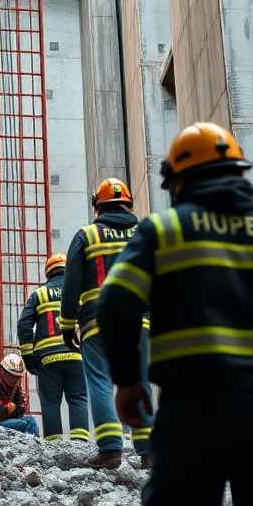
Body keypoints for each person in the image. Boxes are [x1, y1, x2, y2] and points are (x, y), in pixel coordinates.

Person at [96, 122, 253, 506]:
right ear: (240, 174)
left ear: (178, 183)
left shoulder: (163, 231)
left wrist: (128, 382)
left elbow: (114, 303)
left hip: (191, 411)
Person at [59, 178, 151, 468]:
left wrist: (66, 324)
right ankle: (148, 451)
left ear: (97, 207)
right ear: (128, 204)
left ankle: (111, 449)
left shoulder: (86, 236)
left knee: (99, 380)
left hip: (99, 323)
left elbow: (71, 284)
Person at [17, 253, 89, 442]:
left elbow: (24, 325)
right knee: (78, 398)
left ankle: (54, 446)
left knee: (50, 402)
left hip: (48, 359)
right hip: (77, 356)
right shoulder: (80, 292)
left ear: (48, 273)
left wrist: (28, 356)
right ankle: (80, 444)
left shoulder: (40, 294)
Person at [0, 354, 38, 436]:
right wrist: (6, 411)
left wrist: (19, 407)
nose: (16, 380)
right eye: (13, 376)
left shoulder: (15, 390)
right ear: (3, 372)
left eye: (18, 377)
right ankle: (35, 447)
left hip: (5, 423)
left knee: (30, 420)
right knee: (28, 423)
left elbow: (20, 414)